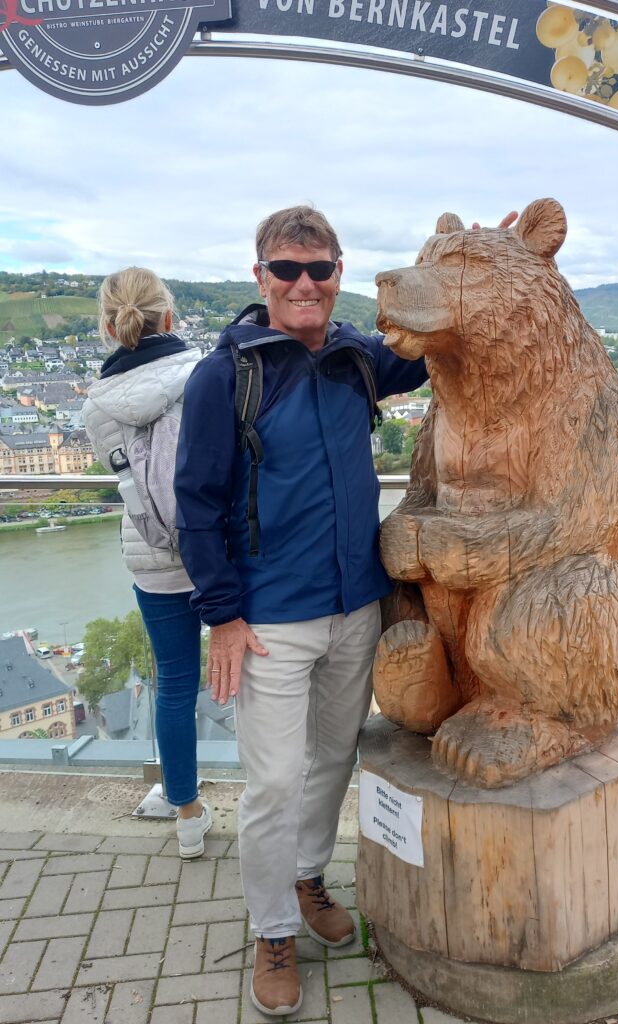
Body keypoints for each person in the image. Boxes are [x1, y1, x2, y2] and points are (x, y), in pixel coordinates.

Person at [173, 205, 429, 1016]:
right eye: (287, 270)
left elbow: (425, 356)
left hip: (356, 603)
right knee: (275, 782)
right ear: (262, 278)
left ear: (339, 272)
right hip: (270, 617)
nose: (305, 284)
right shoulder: (228, 374)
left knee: (333, 760)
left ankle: (309, 877)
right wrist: (223, 613)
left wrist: (483, 262)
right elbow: (195, 501)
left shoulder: (356, 358)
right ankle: (273, 927)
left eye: (319, 269)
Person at [83, 267, 212, 860]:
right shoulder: (207, 373)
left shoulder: (96, 404)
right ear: (172, 317)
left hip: (154, 558)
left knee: (174, 686)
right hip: (223, 555)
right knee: (262, 679)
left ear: (109, 326)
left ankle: (185, 811)